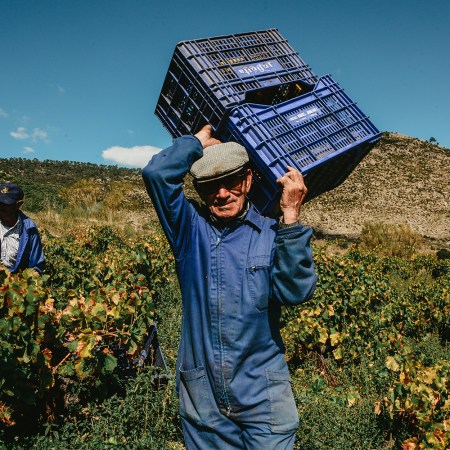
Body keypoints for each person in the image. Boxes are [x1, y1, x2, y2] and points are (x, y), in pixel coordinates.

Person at [142, 125, 317, 449]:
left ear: (248, 180)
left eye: (231, 181)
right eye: (210, 186)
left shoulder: (271, 233)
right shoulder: (189, 231)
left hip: (263, 398)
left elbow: (296, 291)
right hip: (204, 401)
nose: (222, 193)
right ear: (200, 191)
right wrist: (197, 141)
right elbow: (157, 174)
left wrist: (291, 216)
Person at [0, 183, 44, 274]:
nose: (1, 207)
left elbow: (36, 266)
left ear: (18, 205)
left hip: (14, 282)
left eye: (6, 204)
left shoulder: (29, 229)